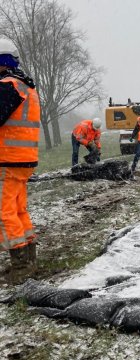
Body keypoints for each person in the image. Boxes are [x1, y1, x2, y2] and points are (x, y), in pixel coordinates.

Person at [0, 38, 40, 279]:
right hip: (23, 159)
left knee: (4, 213)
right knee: (18, 209)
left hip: (7, 160)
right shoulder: (26, 86)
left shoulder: (7, 86)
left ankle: (21, 267)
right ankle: (29, 257)